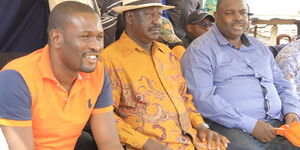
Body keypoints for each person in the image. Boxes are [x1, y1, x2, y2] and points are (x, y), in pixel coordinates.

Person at [100, 0, 229, 150]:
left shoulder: (166, 53)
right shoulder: (110, 60)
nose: (157, 21)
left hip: (194, 141)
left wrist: (201, 126)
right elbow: (105, 117)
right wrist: (144, 142)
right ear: (129, 18)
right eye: (149, 15)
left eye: (159, 15)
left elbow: (184, 96)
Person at [0, 2, 123, 150]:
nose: (96, 46)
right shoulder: (17, 79)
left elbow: (109, 144)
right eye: (85, 37)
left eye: (99, 37)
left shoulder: (98, 73)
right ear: (56, 38)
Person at [180, 0, 300, 149]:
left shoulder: (259, 47)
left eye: (243, 12)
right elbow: (204, 99)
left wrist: (292, 111)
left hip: (279, 120)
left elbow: (281, 84)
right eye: (230, 13)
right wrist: (250, 125)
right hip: (230, 125)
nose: (238, 17)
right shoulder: (200, 50)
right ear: (216, 16)